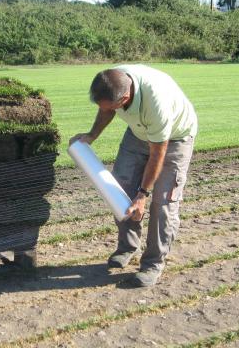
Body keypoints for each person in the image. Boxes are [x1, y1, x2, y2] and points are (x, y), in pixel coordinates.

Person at [69, 64, 197, 287]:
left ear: (125, 97)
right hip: (138, 133)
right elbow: (106, 109)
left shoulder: (157, 103)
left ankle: (153, 264)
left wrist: (143, 195)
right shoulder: (112, 80)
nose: (107, 109)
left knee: (163, 202)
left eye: (112, 107)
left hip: (174, 140)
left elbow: (158, 153)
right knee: (119, 189)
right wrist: (91, 135)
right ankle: (127, 247)